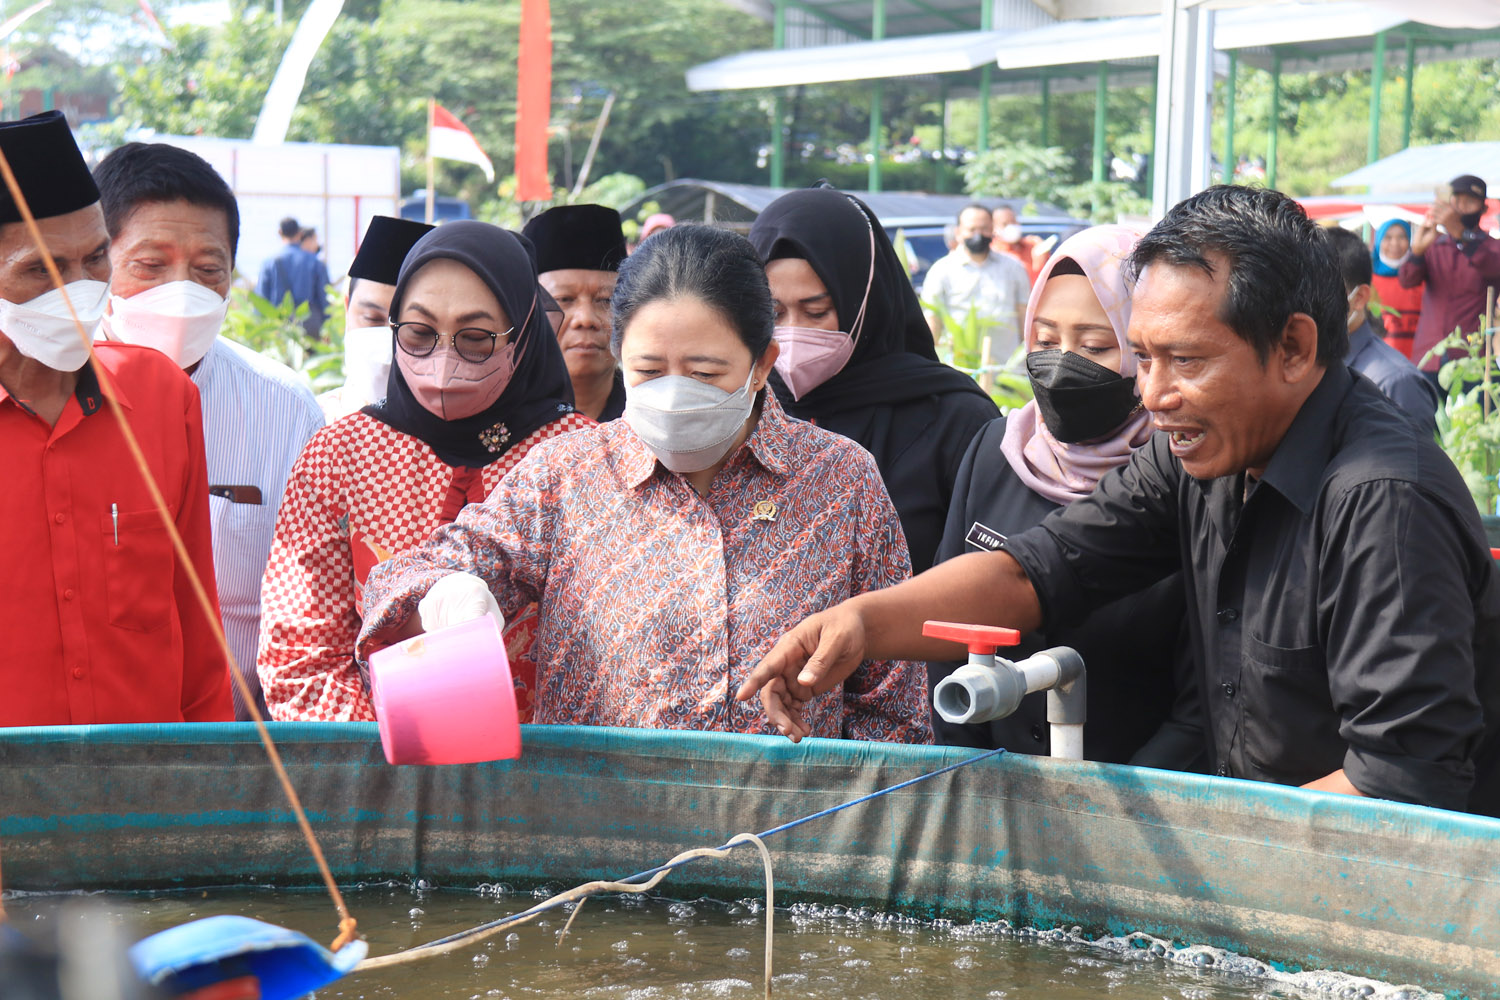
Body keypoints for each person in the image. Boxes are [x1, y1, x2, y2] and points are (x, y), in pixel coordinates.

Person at [741, 185, 1500, 816]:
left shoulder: (1383, 503)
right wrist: (858, 624)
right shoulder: (1200, 454)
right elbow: (1040, 570)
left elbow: (1402, 779)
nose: (1154, 394)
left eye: (1187, 361)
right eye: (1141, 357)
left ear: (1295, 348)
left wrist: (1219, 876)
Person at [355, 225, 930, 742]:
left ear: (761, 364)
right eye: (649, 371)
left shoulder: (838, 479)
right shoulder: (568, 475)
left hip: (789, 837)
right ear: (619, 357)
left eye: (706, 373)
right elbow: (407, 575)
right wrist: (446, 594)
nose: (676, 394)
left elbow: (892, 701)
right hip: (599, 841)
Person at [257, 221, 593, 722]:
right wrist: (395, 756)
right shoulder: (340, 455)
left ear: (523, 335)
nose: (443, 361)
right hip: (378, 774)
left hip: (551, 777)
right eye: (418, 334)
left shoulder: (582, 458)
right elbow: (301, 658)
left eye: (476, 338)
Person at [927, 225, 1200, 768]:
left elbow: (1203, 696)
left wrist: (1106, 814)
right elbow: (950, 631)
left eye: (1095, 346)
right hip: (992, 784)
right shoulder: (997, 449)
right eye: (1047, 341)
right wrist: (969, 769)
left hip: (1137, 803)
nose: (1061, 365)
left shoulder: (1186, 469)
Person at [0, 111, 231, 725]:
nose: (79, 288)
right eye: (40, 271)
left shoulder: (162, 398)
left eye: (96, 258)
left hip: (146, 801)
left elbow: (198, 632)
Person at [92, 142, 325, 720]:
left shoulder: (284, 408)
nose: (183, 290)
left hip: (245, 733)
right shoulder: (49, 401)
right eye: (151, 264)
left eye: (207, 270)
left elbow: (314, 599)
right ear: (96, 262)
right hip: (93, 732)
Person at [747, 187, 998, 573]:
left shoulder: (954, 420)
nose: (792, 333)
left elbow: (984, 579)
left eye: (816, 312)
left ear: (863, 302)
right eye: (773, 313)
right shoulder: (742, 408)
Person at [1325, 226, 1439, 439]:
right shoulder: (1306, 367)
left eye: (1323, 292)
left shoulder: (1395, 382)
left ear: (1359, 298)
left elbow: (1411, 466)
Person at [318, 215, 433, 421]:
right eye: (372, 318)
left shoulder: (448, 442)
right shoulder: (310, 420)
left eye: (413, 328)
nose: (387, 340)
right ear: (347, 306)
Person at [521, 204, 628, 421]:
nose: (586, 319)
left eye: (605, 300)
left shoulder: (649, 420)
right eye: (563, 300)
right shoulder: (500, 419)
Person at [1400, 174, 1500, 382]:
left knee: (1472, 413)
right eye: (1457, 201)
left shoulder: (1493, 247)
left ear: (1483, 209)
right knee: (1423, 413)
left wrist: (1461, 234)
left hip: (1472, 358)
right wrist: (1417, 251)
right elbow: (1407, 280)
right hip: (1429, 354)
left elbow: (1492, 266)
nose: (1462, 208)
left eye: (1470, 202)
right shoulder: (1434, 245)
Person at [922, 203, 1030, 357]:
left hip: (1007, 367)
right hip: (961, 367)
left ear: (993, 230)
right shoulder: (941, 270)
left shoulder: (1014, 267)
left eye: (984, 228)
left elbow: (1024, 313)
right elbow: (932, 317)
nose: (978, 235)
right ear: (958, 232)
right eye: (972, 229)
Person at [255, 215, 331, 339]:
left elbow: (261, 301)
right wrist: (328, 328)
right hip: (310, 327)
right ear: (300, 234)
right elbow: (325, 299)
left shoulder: (269, 263)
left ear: (280, 232)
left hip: (279, 328)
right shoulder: (315, 263)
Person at [1369, 218, 1423, 358]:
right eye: (1388, 237)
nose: (1395, 243)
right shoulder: (1368, 280)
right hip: (1378, 360)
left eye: (1402, 237)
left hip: (1418, 361)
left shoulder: (1421, 278)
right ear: (1379, 241)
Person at [990, 204, 1046, 285]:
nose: (1011, 227)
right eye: (1005, 224)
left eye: (1013, 221)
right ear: (993, 228)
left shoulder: (1033, 245)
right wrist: (1038, 266)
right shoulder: (994, 253)